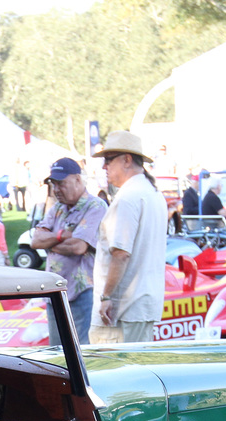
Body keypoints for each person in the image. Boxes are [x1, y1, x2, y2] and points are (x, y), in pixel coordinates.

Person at [91, 130, 166, 345]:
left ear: (127, 160)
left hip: (122, 309)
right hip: (140, 305)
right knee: (137, 371)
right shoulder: (152, 193)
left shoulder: (129, 197)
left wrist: (106, 297)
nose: (104, 166)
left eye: (108, 160)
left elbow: (121, 254)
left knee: (110, 373)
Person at [31, 157, 107, 341]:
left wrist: (50, 243)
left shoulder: (95, 206)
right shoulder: (57, 208)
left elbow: (78, 246)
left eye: (61, 184)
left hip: (82, 292)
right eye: (54, 184)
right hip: (55, 292)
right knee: (57, 353)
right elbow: (35, 241)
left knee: (81, 352)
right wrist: (60, 235)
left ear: (78, 180)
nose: (56, 190)